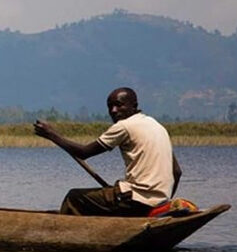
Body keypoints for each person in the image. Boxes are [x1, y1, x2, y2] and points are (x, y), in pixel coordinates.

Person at [33, 87, 182, 216]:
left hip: (135, 200)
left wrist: (51, 135)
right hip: (157, 202)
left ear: (134, 106)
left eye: (119, 105)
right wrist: (162, 201)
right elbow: (177, 172)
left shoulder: (124, 126)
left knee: (74, 197)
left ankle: (65, 235)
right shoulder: (157, 126)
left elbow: (84, 152)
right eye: (110, 107)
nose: (113, 111)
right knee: (105, 197)